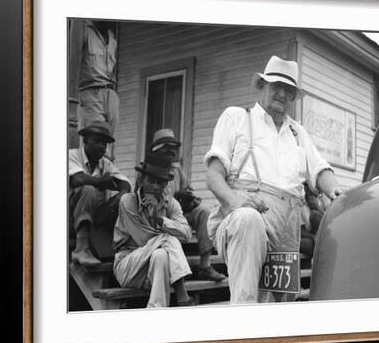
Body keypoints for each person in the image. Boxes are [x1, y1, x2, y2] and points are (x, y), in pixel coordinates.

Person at [204, 55, 344, 304]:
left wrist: (335, 191)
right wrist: (235, 202)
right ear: (263, 86)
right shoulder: (237, 117)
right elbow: (214, 176)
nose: (282, 93)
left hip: (287, 228)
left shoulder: (297, 132)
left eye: (288, 90)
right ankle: (243, 329)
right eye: (276, 86)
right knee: (249, 221)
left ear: (293, 97)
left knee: (280, 307)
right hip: (242, 216)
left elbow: (321, 169)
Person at [112, 153, 195, 307]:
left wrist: (159, 219)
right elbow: (144, 239)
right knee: (169, 239)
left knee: (161, 254)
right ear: (142, 180)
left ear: (166, 185)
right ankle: (181, 292)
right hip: (128, 266)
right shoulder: (129, 201)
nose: (156, 187)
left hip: (154, 272)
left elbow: (187, 235)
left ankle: (156, 309)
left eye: (161, 182)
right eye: (151, 181)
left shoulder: (171, 204)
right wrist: (167, 231)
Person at [148, 129, 226, 282]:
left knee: (204, 212)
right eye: (167, 147)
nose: (172, 151)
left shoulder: (176, 171)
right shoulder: (149, 170)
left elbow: (187, 190)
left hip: (178, 214)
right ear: (157, 150)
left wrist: (190, 199)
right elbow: (150, 198)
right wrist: (176, 197)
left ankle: (205, 266)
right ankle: (176, 274)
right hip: (157, 216)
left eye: (173, 148)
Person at [69, 121, 131, 267]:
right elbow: (78, 179)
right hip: (68, 217)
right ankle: (81, 249)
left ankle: (119, 249)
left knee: (126, 199)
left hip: (94, 217)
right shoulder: (71, 155)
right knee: (89, 189)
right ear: (85, 141)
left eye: (104, 143)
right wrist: (102, 181)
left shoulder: (105, 163)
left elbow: (125, 183)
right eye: (96, 141)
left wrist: (121, 194)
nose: (101, 146)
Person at [69, 19, 119, 158]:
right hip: (91, 91)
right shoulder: (83, 30)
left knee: (107, 144)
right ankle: (89, 176)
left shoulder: (112, 38)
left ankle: (104, 176)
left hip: (111, 93)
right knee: (95, 139)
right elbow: (71, 59)